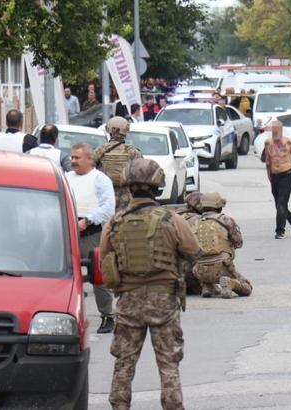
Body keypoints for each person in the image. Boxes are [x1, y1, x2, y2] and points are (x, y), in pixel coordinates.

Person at [99, 158, 200, 410]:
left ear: (128, 186)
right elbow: (194, 250)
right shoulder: (171, 219)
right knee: (168, 363)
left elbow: (105, 259)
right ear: (157, 185)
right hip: (163, 300)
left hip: (128, 300)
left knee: (124, 362)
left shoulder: (115, 222)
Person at [65, 142, 116, 333]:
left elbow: (108, 208)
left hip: (90, 232)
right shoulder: (66, 178)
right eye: (72, 157)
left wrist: (87, 220)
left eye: (77, 158)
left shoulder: (100, 179)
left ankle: (107, 316)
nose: (73, 161)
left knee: (98, 276)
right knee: (66, 275)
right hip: (68, 232)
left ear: (89, 159)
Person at [190, 192, 253, 298]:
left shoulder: (194, 222)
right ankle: (231, 283)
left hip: (199, 270)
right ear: (219, 207)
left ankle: (207, 286)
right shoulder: (225, 220)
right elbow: (238, 242)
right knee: (247, 288)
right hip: (222, 267)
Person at [93, 116, 143, 211]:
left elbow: (90, 169)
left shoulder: (101, 150)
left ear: (109, 130)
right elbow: (140, 173)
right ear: (126, 131)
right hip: (126, 196)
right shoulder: (133, 151)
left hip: (104, 195)